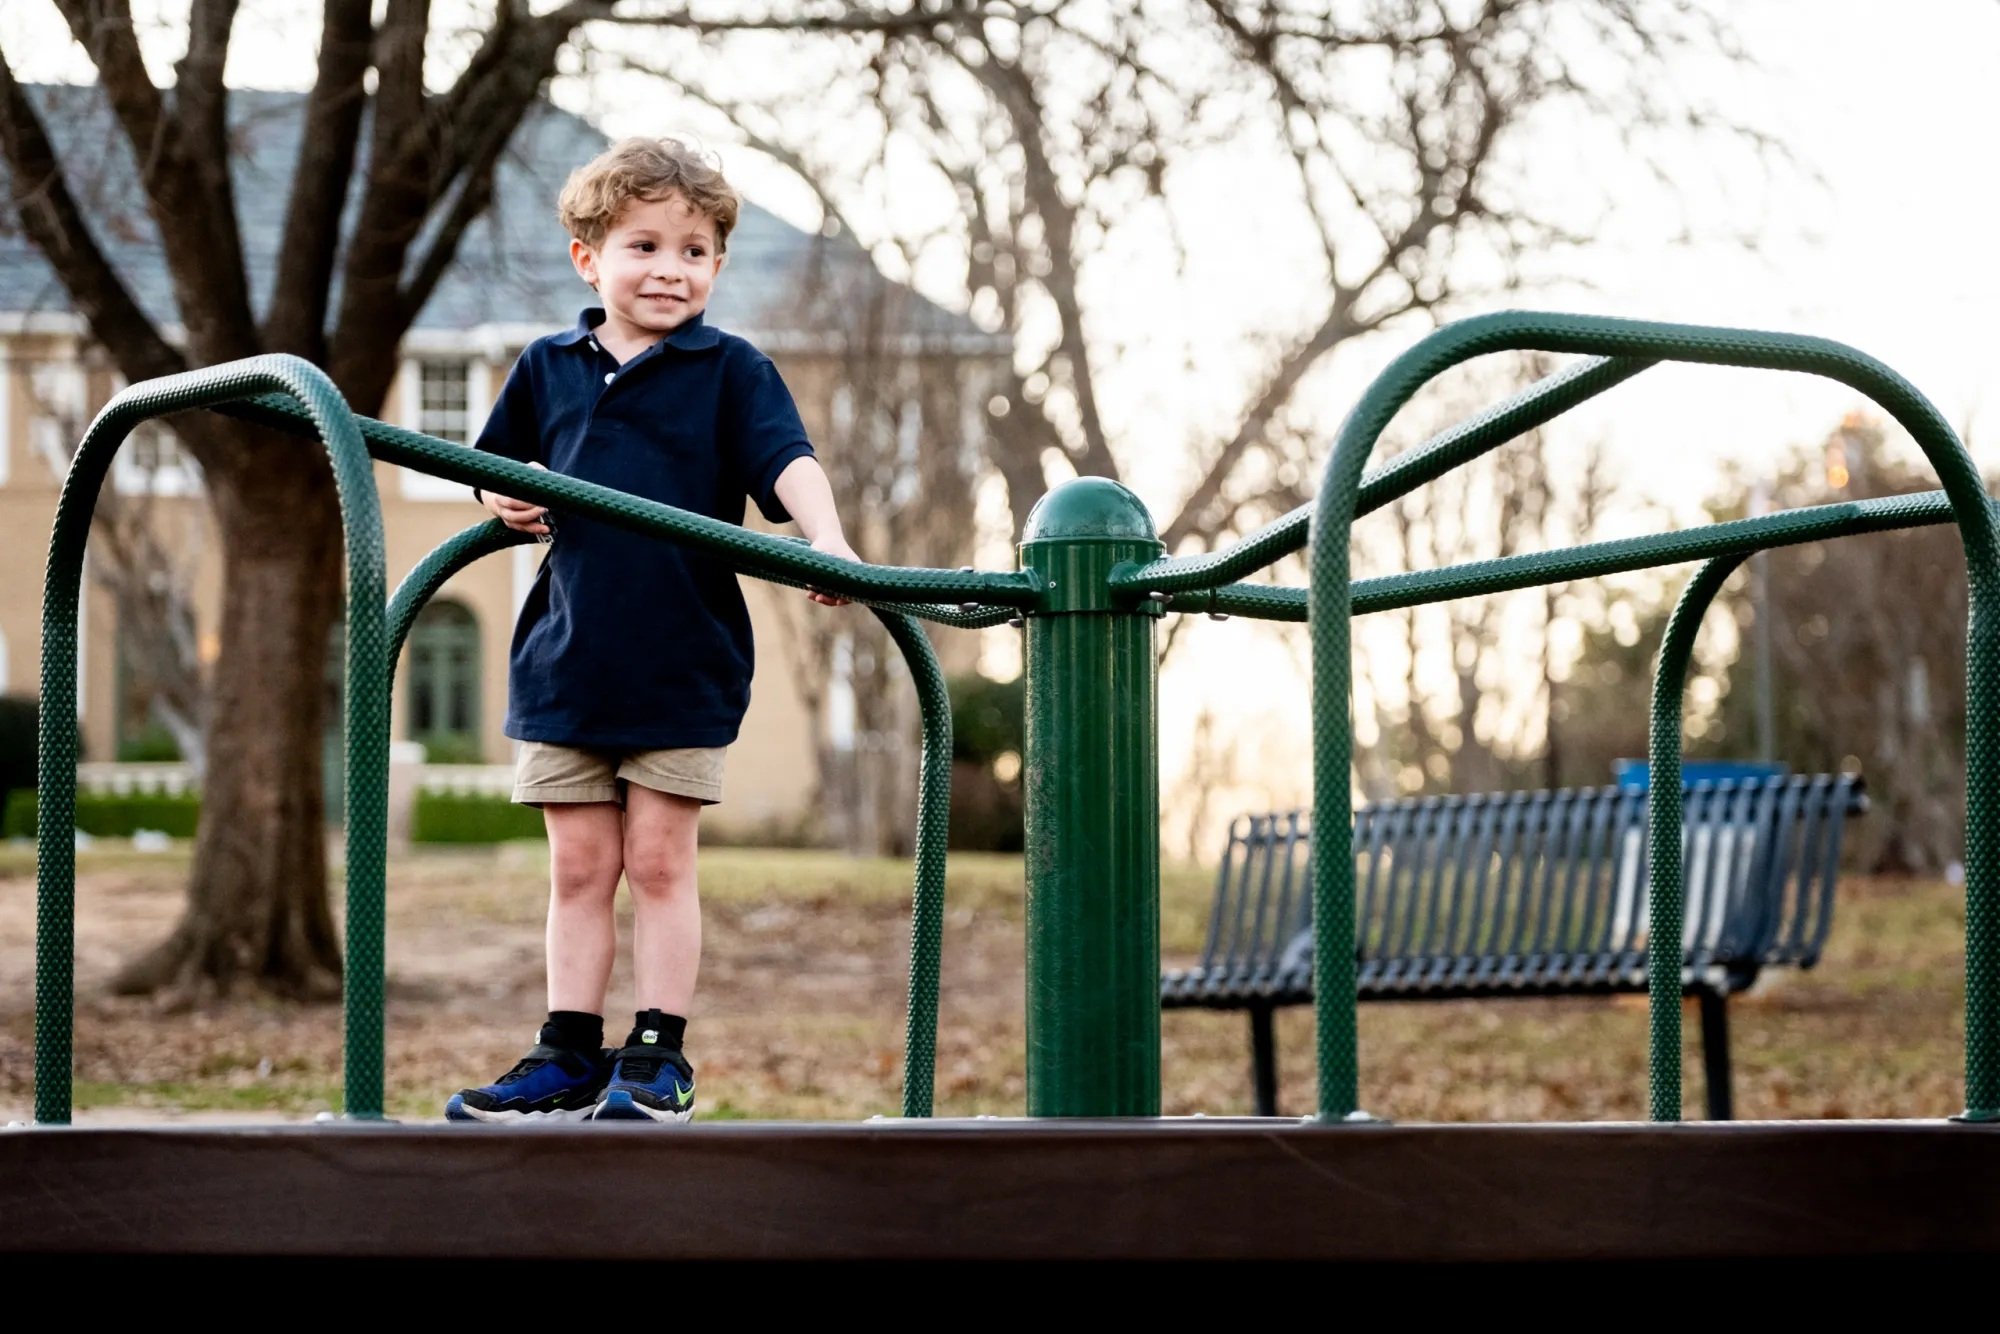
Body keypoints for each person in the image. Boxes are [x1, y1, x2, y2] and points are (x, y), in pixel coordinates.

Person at [444, 136, 859, 1124]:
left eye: (693, 251)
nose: (671, 269)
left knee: (661, 862)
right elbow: (491, 464)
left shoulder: (730, 369)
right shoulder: (548, 366)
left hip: (681, 660)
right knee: (580, 868)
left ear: (716, 265)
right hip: (567, 663)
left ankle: (658, 1053)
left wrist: (828, 536)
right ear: (588, 258)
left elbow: (787, 460)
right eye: (644, 246)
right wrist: (500, 493)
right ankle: (567, 1053)